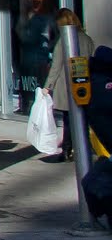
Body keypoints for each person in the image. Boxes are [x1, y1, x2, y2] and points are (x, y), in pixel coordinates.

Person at [44, 9, 95, 162]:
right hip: (84, 84)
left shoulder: (63, 40)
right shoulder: (86, 38)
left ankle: (67, 149)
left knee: (68, 120)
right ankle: (82, 148)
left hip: (67, 85)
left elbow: (56, 65)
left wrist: (48, 86)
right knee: (82, 118)